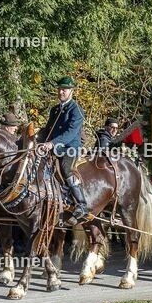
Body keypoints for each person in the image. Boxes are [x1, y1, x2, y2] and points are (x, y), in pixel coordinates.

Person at [38, 77, 90, 225]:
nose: (61, 92)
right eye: (59, 89)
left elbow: (71, 133)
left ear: (71, 91)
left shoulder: (76, 110)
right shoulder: (55, 109)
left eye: (64, 89)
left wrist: (51, 144)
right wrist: (37, 139)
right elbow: (48, 129)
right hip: (53, 146)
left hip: (70, 148)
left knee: (67, 169)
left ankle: (81, 205)